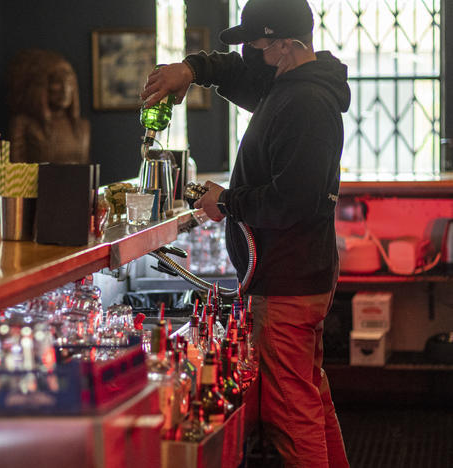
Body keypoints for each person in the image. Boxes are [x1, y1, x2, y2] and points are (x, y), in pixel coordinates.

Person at [141, 0, 350, 466]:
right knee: (310, 398)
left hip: (286, 279)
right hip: (298, 273)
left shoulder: (306, 103)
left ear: (284, 45)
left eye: (258, 43)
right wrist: (190, 70)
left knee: (291, 415)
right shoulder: (292, 86)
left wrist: (227, 201)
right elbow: (237, 74)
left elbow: (291, 202)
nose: (251, 52)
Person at [8, 49, 90, 164]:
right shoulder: (23, 125)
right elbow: (16, 173)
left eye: (69, 83)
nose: (65, 90)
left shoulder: (82, 127)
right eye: (57, 82)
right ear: (41, 86)